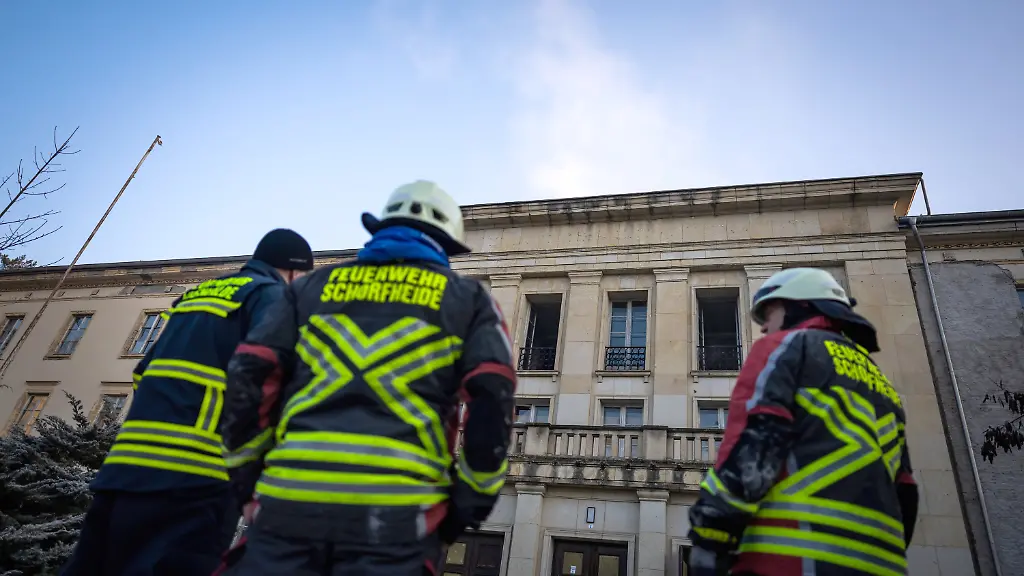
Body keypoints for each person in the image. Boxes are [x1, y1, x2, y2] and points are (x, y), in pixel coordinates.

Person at [217, 180, 517, 575]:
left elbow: (248, 376)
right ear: (446, 244)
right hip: (399, 520)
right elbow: (493, 394)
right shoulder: (470, 300)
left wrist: (247, 479)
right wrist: (467, 506)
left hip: (285, 510)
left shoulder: (307, 288)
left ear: (382, 228)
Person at [61, 229, 314, 576]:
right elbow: (270, 381)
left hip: (124, 470)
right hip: (195, 476)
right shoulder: (271, 297)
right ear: (293, 272)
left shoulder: (195, 298)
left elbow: (142, 372)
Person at [687, 267, 919, 576]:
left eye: (769, 314)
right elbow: (905, 488)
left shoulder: (785, 348)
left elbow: (758, 443)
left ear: (801, 306)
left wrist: (710, 535)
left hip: (789, 558)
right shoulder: (881, 383)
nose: (765, 329)